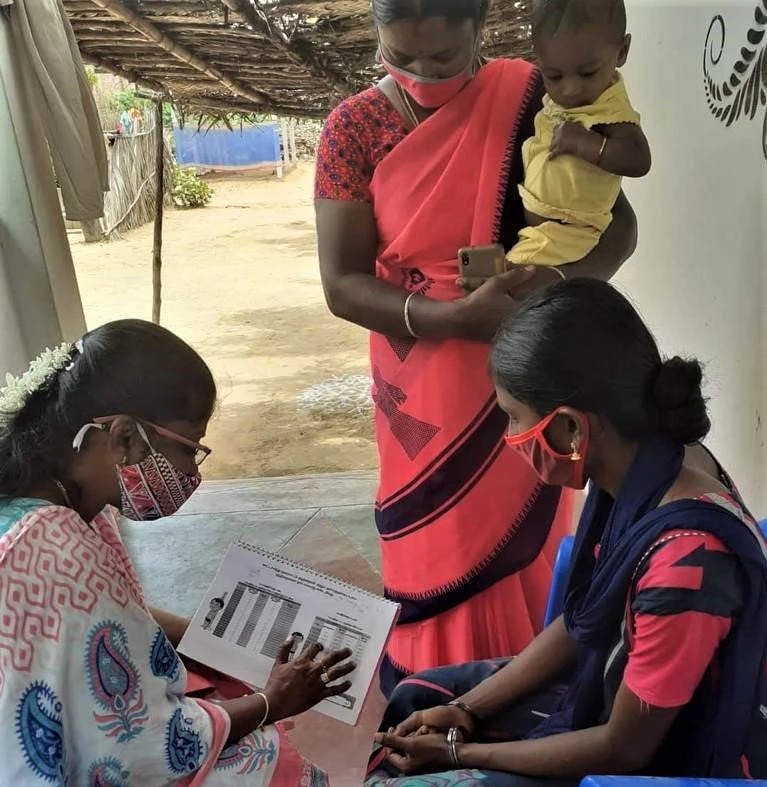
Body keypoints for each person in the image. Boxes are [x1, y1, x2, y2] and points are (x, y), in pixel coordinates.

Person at [315, 0, 638, 696]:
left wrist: (549, 281)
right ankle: (433, 698)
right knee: (433, 544)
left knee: (528, 534)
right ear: (376, 38)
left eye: (443, 58)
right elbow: (341, 284)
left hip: (524, 365)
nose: (422, 73)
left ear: (479, 32)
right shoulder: (353, 128)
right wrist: (451, 317)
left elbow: (616, 228)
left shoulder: (531, 96)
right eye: (400, 57)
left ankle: (528, 700)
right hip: (420, 381)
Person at [367, 279, 767, 785]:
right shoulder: (638, 464)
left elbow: (623, 748)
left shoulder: (686, 563)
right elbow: (587, 618)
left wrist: (459, 755)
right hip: (609, 698)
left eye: (513, 418)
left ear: (572, 429)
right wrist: (465, 711)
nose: (510, 438)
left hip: (660, 760)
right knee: (420, 696)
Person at [0, 320, 356, 786]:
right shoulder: (56, 546)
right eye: (190, 449)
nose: (192, 472)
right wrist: (274, 701)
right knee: (270, 762)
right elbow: (142, 749)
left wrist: (224, 646)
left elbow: (113, 617)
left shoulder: (55, 502)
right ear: (125, 438)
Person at [507, 0, 651, 268]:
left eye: (588, 73)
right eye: (554, 76)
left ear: (622, 51)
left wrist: (587, 144)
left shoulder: (609, 109)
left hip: (572, 232)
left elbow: (640, 159)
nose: (571, 89)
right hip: (546, 229)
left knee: (513, 277)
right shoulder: (555, 98)